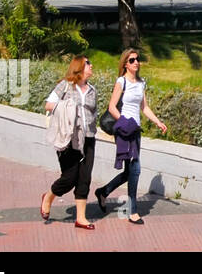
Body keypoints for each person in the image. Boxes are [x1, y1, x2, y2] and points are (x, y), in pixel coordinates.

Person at [96, 49, 168, 225]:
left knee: (130, 171)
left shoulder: (141, 83)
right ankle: (132, 211)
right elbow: (112, 106)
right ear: (125, 64)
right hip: (124, 130)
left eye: (138, 59)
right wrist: (123, 121)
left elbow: (144, 107)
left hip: (135, 131)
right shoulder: (121, 81)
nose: (136, 62)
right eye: (132, 60)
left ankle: (103, 192)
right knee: (135, 169)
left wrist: (158, 121)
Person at [41, 55, 99, 230]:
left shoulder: (92, 90)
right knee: (69, 177)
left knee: (85, 178)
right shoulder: (65, 85)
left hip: (88, 139)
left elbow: (93, 113)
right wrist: (68, 107)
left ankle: (81, 218)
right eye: (88, 63)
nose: (91, 66)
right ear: (79, 67)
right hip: (67, 138)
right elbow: (49, 104)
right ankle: (49, 197)